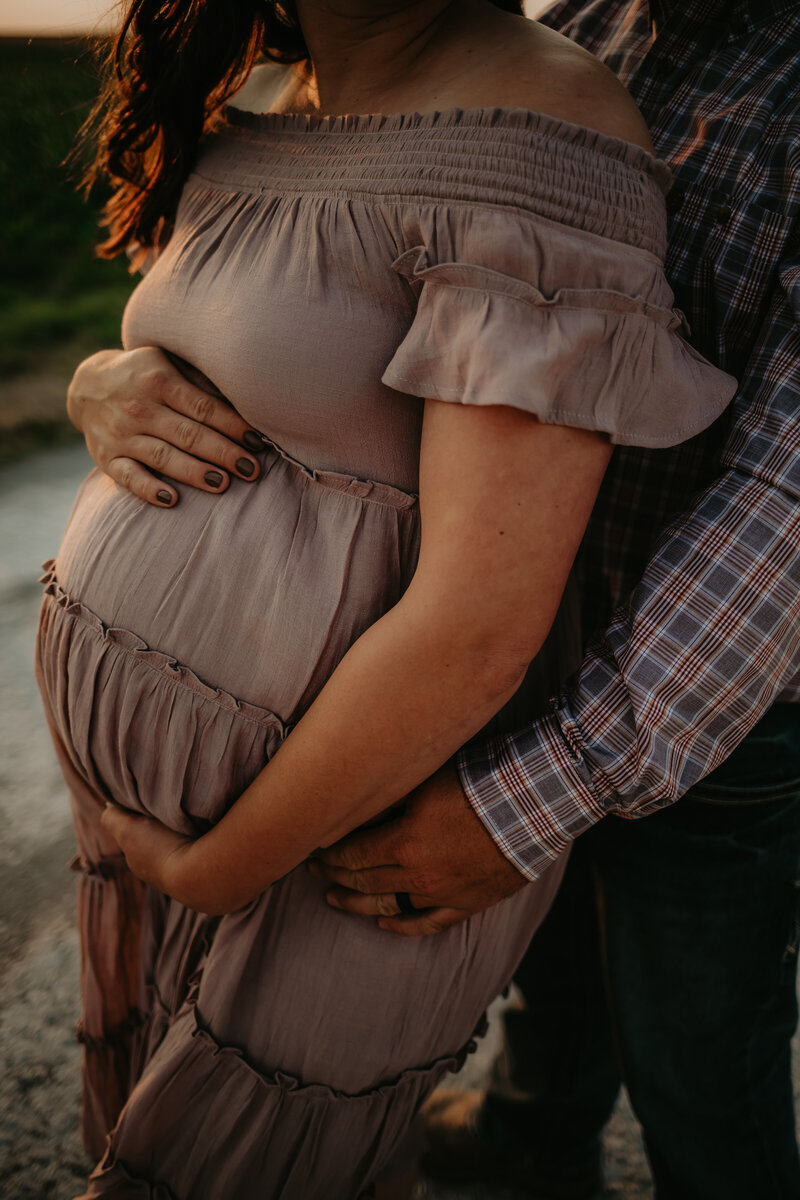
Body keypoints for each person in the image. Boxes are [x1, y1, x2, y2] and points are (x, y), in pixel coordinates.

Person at [43, 1, 733, 1197]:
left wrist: (222, 866)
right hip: (155, 838)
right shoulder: (263, 99)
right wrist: (97, 382)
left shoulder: (540, 128)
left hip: (319, 852)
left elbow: (477, 631)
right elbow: (223, 352)